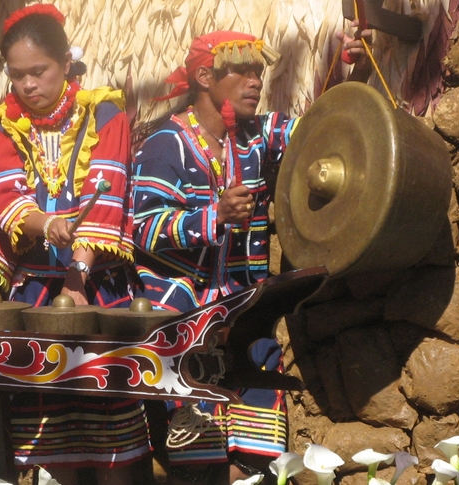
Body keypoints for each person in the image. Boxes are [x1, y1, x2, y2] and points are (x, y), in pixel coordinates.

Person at [130, 30, 372, 484]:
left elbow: (326, 125)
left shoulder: (259, 136)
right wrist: (212, 217)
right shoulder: (167, 143)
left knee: (257, 445)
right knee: (199, 457)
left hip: (243, 308)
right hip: (184, 312)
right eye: (241, 71)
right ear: (204, 76)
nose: (254, 81)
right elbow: (142, 229)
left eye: (258, 72)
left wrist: (351, 67)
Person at [0, 5, 147, 484]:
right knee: (45, 430)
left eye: (38, 71)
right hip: (35, 295)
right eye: (17, 75)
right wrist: (46, 225)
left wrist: (78, 269)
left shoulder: (106, 114)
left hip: (97, 289)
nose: (27, 85)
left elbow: (108, 195)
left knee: (110, 423)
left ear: (67, 62)